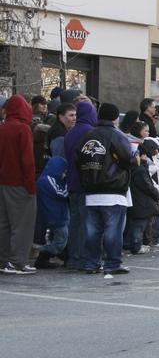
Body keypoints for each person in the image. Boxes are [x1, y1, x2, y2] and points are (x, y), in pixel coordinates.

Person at [79, 102, 136, 275]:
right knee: (113, 231)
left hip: (90, 190)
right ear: (115, 118)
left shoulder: (88, 135)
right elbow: (128, 158)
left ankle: (91, 263)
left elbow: (78, 159)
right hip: (113, 189)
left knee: (92, 231)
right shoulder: (116, 136)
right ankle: (112, 263)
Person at [0, 95, 38, 274]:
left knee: (4, 223)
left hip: (3, 182)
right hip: (19, 183)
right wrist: (30, 186)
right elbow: (27, 161)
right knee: (22, 224)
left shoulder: (2, 128)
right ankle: (17, 262)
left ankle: (4, 260)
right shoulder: (23, 129)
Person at [64, 100, 97, 270]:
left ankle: (73, 257)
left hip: (72, 182)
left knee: (75, 222)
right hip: (86, 182)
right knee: (87, 222)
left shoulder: (70, 132)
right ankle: (84, 257)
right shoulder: (91, 132)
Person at [125, 140, 159, 256]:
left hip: (139, 202)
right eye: (144, 155)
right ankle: (135, 246)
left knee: (138, 225)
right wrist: (156, 194)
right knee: (138, 226)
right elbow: (147, 186)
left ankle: (136, 244)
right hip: (142, 203)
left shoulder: (133, 168)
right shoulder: (139, 169)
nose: (146, 157)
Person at [33, 156, 70, 269]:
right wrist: (69, 185)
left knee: (60, 239)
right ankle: (43, 255)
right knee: (60, 241)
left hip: (53, 214)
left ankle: (59, 255)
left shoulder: (45, 178)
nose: (64, 174)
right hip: (55, 216)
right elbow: (62, 193)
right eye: (64, 171)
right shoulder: (48, 180)